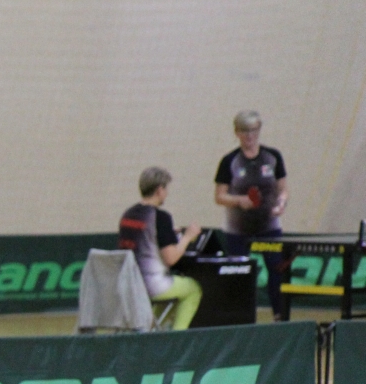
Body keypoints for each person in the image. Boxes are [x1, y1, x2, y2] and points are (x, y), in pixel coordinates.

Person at [214, 110, 289, 319]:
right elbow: (219, 196)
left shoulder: (273, 157)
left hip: (269, 227)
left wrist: (281, 203)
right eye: (245, 131)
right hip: (238, 229)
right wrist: (239, 200)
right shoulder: (229, 161)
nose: (250, 136)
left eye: (254, 130)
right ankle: (241, 319)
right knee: (239, 274)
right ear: (237, 132)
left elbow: (283, 189)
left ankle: (279, 317)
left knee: (277, 270)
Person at [119, 167, 203, 329]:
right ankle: (178, 337)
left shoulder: (128, 214)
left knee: (169, 295)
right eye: (166, 189)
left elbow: (142, 240)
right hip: (151, 285)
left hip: (128, 283)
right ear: (159, 190)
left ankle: (150, 331)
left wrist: (167, 234)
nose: (167, 193)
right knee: (193, 289)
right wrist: (187, 237)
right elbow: (171, 259)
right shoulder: (161, 217)